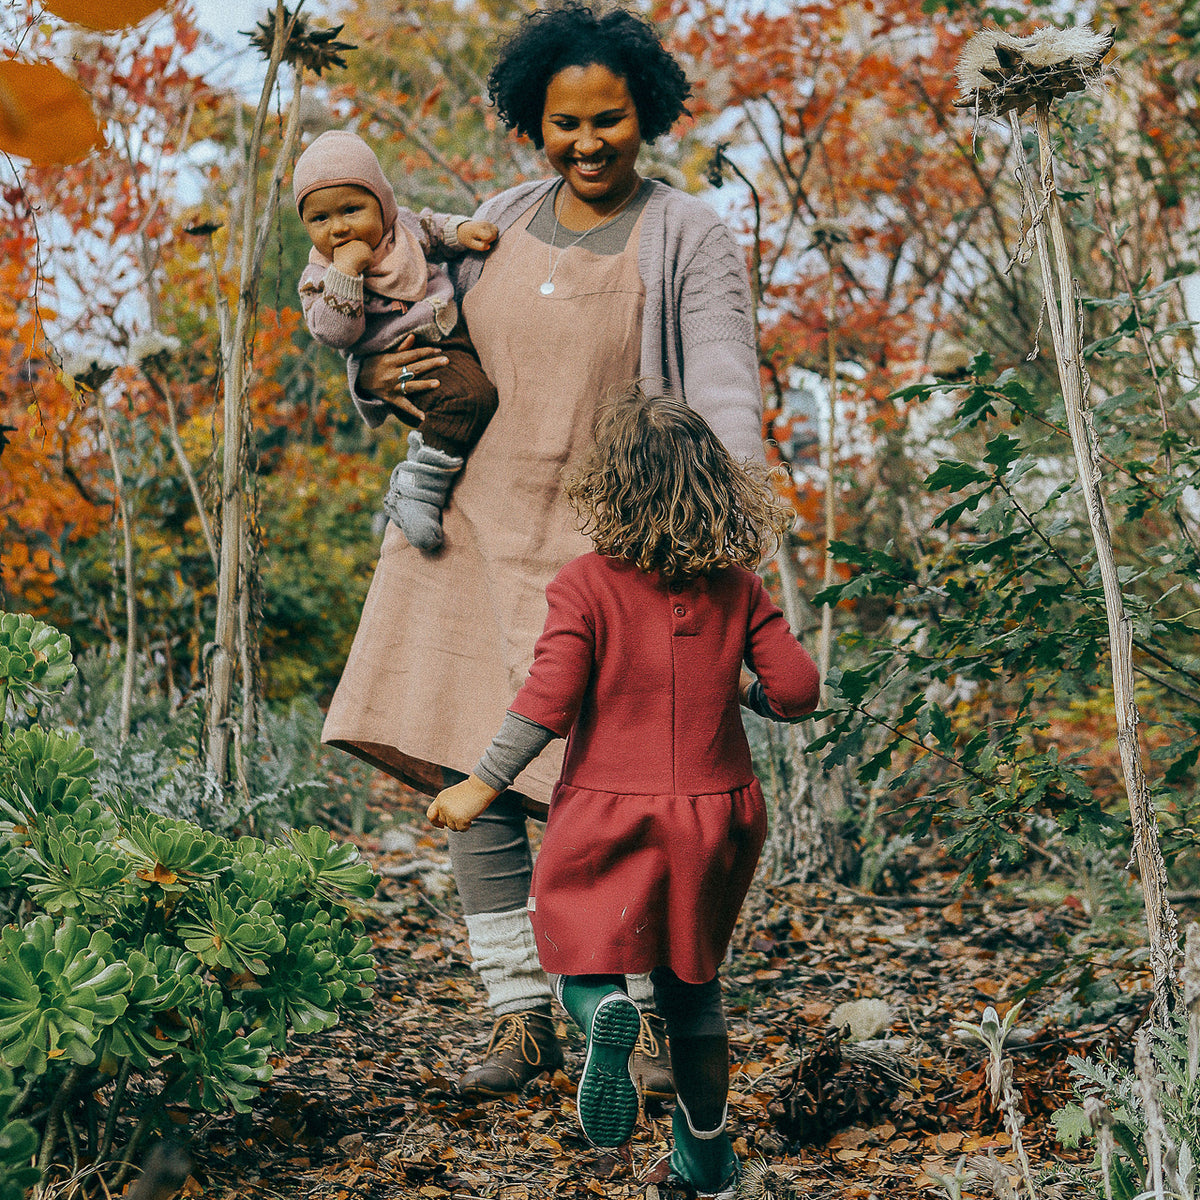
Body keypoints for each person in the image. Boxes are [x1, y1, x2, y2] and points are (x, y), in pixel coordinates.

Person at [321, 2, 766, 1100]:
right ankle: (519, 1018)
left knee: (618, 794)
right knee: (470, 762)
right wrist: (367, 382)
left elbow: (721, 393)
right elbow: (407, 330)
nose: (586, 143)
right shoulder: (498, 217)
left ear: (645, 113)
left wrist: (726, 549)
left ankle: (650, 1018)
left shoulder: (689, 234)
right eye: (563, 123)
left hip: (618, 553)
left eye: (607, 119)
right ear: (533, 122)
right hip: (472, 533)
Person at [428, 389, 821, 1196]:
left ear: (612, 489)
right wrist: (737, 690)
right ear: (715, 486)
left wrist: (481, 782)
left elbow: (549, 697)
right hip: (719, 814)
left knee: (572, 947)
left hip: (609, 808)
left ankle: (603, 1007)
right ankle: (706, 1159)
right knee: (694, 988)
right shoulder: (738, 587)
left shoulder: (586, 584)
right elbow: (797, 690)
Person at [294, 129, 499, 550]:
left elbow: (433, 228)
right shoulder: (318, 279)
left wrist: (461, 231)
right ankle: (416, 487)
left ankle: (430, 478)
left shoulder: (400, 228)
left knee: (477, 398)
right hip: (402, 358)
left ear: (382, 204)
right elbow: (335, 333)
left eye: (352, 209)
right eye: (320, 219)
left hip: (446, 332)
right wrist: (345, 275)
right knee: (469, 398)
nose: (337, 228)